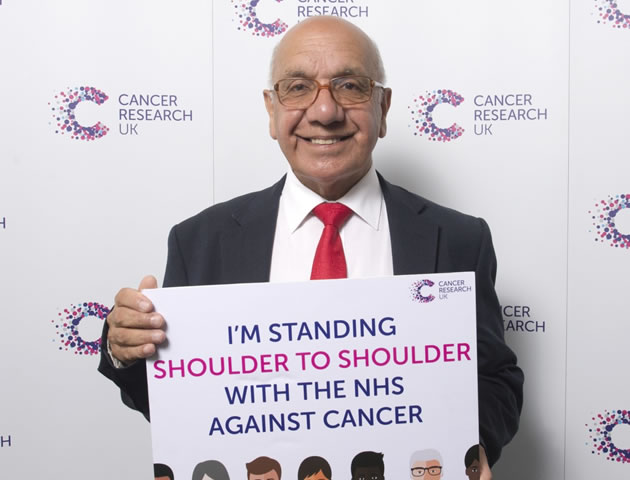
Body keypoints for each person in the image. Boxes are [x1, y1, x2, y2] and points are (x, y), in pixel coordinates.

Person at [98, 15, 523, 480]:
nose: (324, 111)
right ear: (271, 111)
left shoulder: (459, 239)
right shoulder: (200, 240)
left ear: (383, 108)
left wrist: (470, 447)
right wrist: (126, 348)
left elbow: (495, 380)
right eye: (298, 88)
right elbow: (181, 403)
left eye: (350, 86)